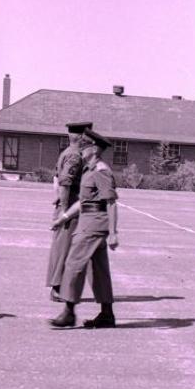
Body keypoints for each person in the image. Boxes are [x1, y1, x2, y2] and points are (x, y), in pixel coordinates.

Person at [49, 129, 119, 329]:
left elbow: (112, 203)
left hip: (94, 224)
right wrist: (63, 218)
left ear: (95, 149)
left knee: (73, 264)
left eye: (84, 146)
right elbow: (82, 201)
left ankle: (69, 312)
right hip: (88, 221)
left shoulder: (101, 171)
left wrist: (113, 233)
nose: (80, 149)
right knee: (99, 270)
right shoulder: (89, 170)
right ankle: (107, 314)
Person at [46, 121, 93, 301]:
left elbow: (56, 178)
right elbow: (65, 182)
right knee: (64, 249)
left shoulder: (66, 152)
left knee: (63, 247)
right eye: (88, 135)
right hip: (70, 205)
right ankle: (57, 288)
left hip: (67, 204)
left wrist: (57, 198)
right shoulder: (75, 156)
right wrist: (65, 211)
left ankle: (60, 287)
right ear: (81, 136)